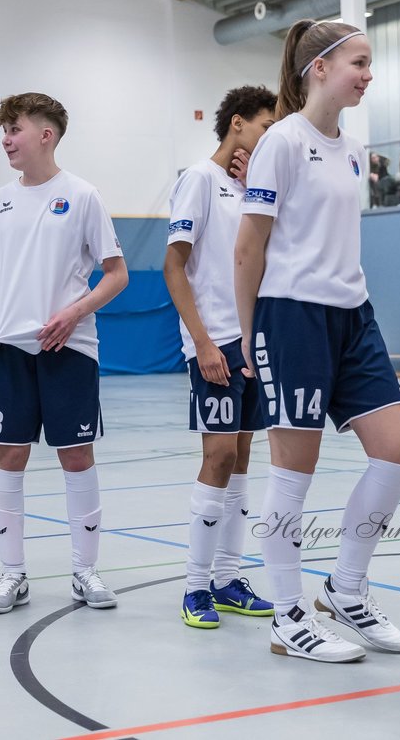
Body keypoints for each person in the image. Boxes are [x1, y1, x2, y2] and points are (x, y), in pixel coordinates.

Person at [234, 20, 400, 664]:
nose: (368, 75)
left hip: (352, 315)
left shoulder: (350, 147)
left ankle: (345, 587)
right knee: (294, 469)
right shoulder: (281, 143)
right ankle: (287, 614)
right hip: (291, 317)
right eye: (359, 64)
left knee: (397, 454)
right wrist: (249, 335)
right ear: (319, 68)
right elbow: (248, 247)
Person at [0, 92, 128, 614]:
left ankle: (85, 571)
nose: (6, 139)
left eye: (14, 129)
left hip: (70, 348)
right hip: (10, 353)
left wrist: (74, 313)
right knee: (8, 456)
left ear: (46, 134)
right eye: (4, 130)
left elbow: (117, 274)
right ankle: (12, 575)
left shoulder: (82, 195)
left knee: (76, 456)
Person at [164, 85, 277, 629]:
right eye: (263, 127)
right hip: (216, 343)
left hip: (253, 341)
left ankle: (230, 578)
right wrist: (204, 344)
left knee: (242, 458)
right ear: (237, 124)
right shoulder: (199, 180)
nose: (269, 136)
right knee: (219, 457)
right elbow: (174, 267)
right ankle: (195, 587)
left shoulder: (247, 187)